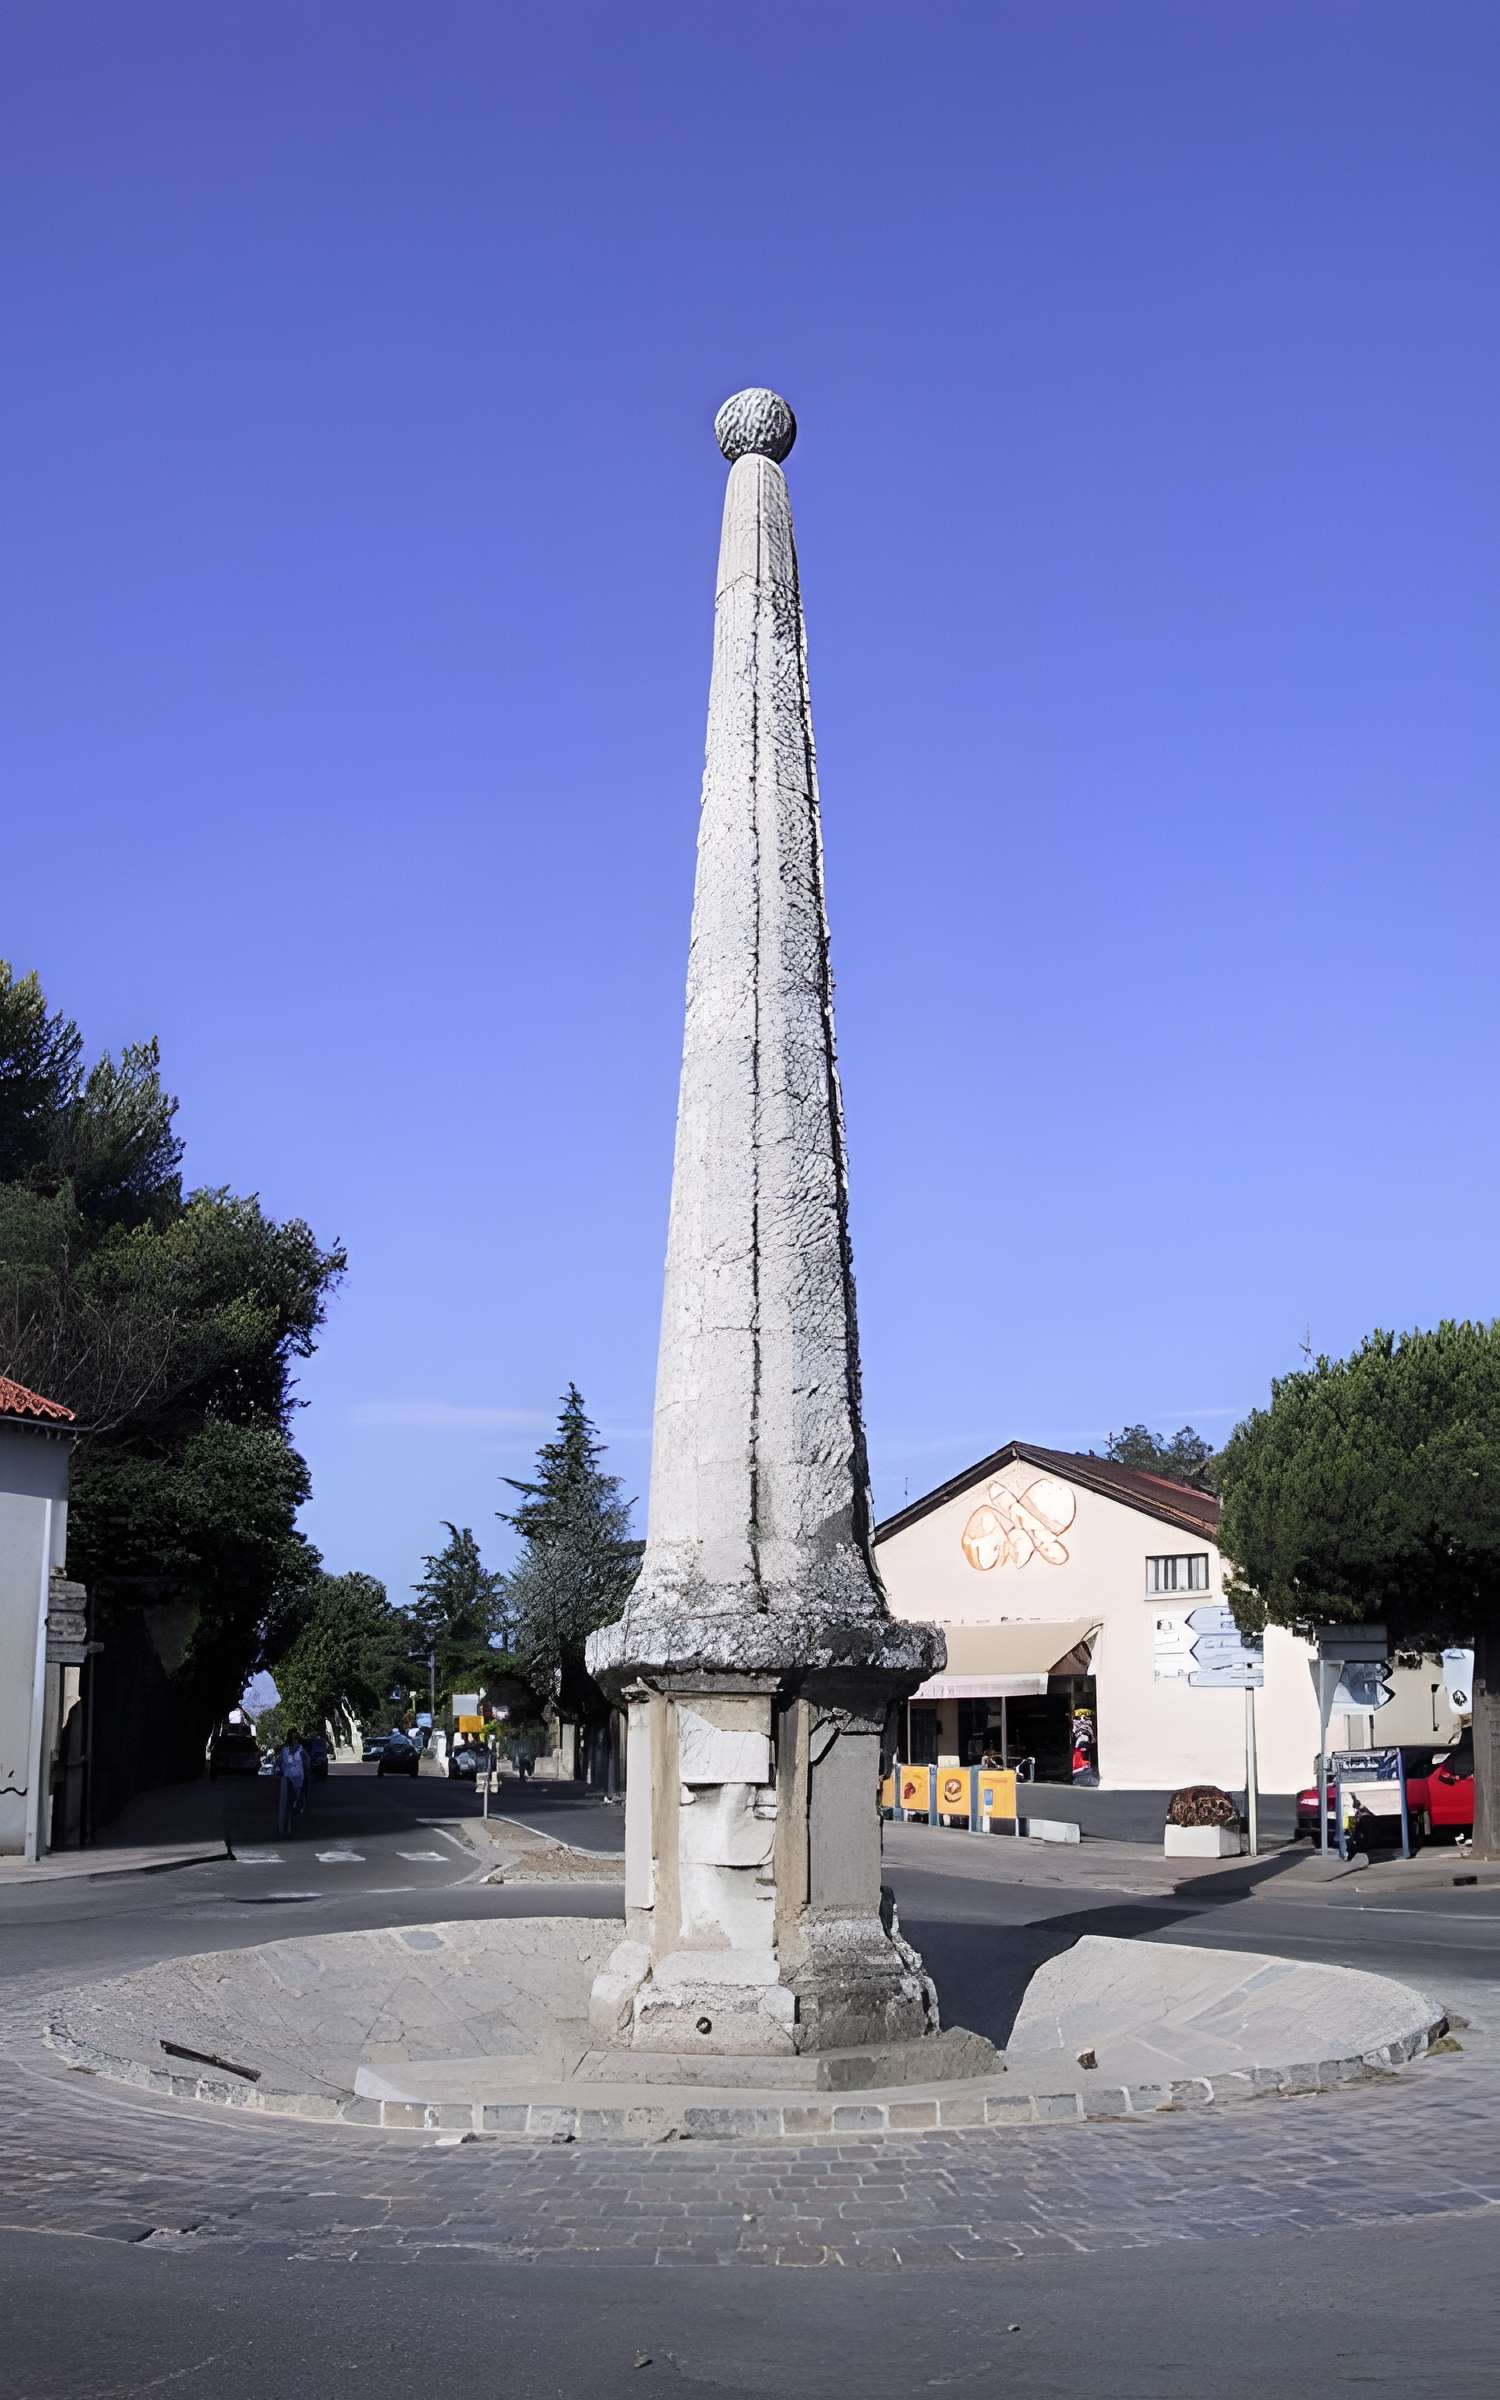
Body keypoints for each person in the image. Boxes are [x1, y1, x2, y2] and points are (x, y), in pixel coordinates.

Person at [276, 1728, 309, 1837]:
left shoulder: (301, 1749)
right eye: (293, 1737)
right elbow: (279, 1761)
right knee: (288, 1804)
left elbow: (307, 1760)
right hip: (287, 1779)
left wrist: (306, 1768)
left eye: (297, 1737)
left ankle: (290, 1824)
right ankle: (288, 1828)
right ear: (289, 1737)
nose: (295, 1739)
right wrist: (281, 1769)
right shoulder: (284, 1749)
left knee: (295, 1804)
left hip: (298, 1780)